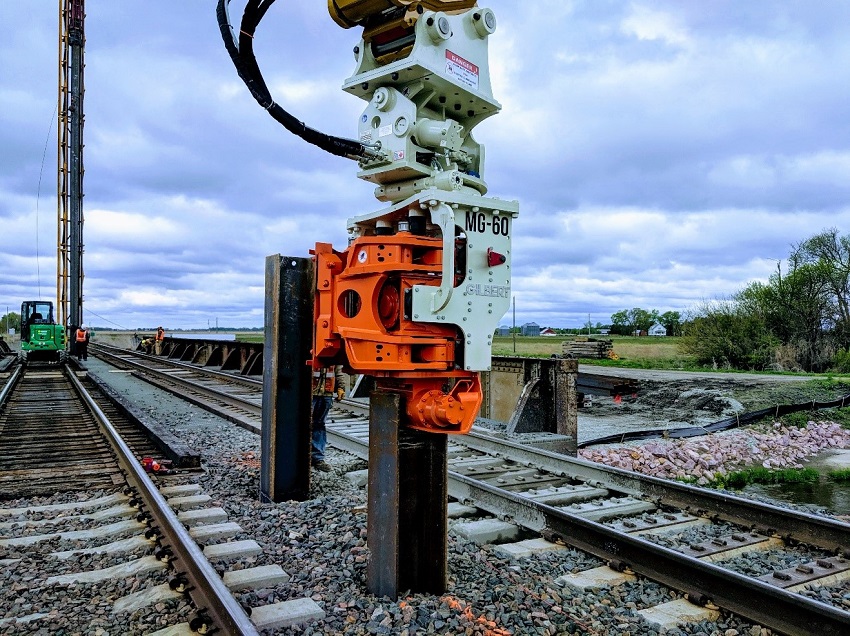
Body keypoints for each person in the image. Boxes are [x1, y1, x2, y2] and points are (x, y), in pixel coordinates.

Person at [311, 365, 345, 472]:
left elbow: (337, 369)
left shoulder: (333, 353)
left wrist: (341, 386)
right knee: (304, 423)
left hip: (326, 393)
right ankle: (301, 457)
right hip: (310, 392)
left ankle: (317, 458)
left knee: (319, 424)